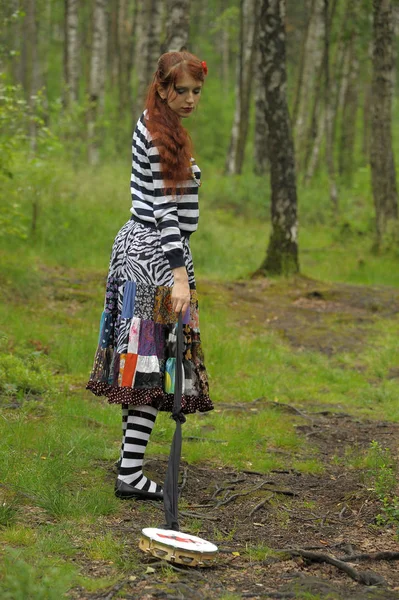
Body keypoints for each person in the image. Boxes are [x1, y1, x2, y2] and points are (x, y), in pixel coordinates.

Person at [86, 51, 214, 501]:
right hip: (155, 255)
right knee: (148, 365)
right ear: (162, 88)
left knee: (143, 361)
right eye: (183, 90)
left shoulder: (162, 126)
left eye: (197, 91)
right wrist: (180, 276)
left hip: (147, 250)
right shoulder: (158, 134)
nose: (191, 99)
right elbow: (163, 210)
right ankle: (131, 474)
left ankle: (128, 464)